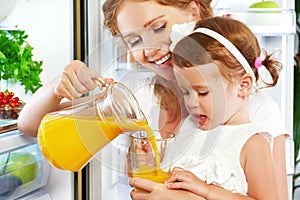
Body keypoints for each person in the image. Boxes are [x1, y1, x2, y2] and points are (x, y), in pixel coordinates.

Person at [17, 0, 289, 199]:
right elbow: (31, 125)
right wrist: (58, 85)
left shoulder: (257, 112)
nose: (149, 49)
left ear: (194, 11)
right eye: (134, 41)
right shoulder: (139, 99)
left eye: (159, 27)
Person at [130, 16, 280, 199]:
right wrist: (150, 164)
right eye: (185, 92)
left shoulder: (252, 143)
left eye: (203, 93)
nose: (192, 103)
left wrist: (208, 191)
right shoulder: (186, 128)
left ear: (243, 85)